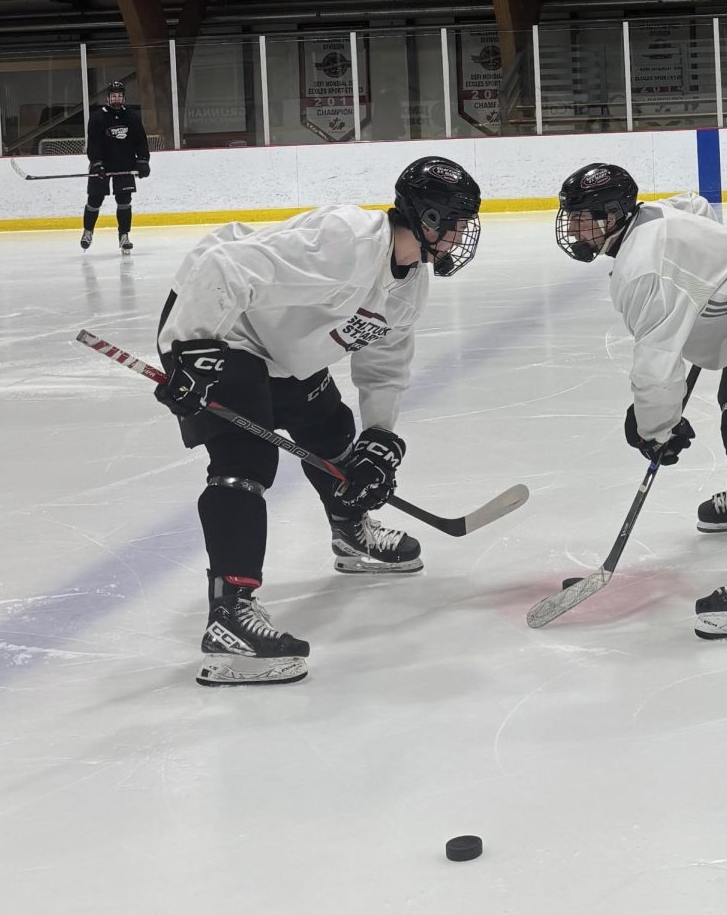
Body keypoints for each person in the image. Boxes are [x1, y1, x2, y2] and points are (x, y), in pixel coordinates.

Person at [153, 157, 482, 686]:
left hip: (283, 350)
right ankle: (229, 617)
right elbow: (223, 269)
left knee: (332, 430)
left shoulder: (411, 284)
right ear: (428, 217)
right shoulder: (347, 240)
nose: (464, 234)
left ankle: (350, 531)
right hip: (220, 327)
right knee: (245, 460)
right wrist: (189, 350)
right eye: (458, 221)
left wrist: (379, 438)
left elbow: (384, 363)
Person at [555, 163, 727, 640]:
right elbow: (695, 206)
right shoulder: (648, 217)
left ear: (612, 215)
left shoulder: (642, 270)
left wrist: (655, 429)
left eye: (584, 217)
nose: (575, 228)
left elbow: (655, 366)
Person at [80, 80, 150, 254]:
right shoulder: (97, 117)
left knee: (124, 201)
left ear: (123, 98)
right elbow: (93, 144)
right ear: (108, 98)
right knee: (95, 200)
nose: (116, 99)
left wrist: (142, 160)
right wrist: (97, 163)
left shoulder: (132, 116)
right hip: (102, 164)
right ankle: (88, 231)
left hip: (124, 163)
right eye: (113, 96)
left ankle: (124, 236)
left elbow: (140, 140)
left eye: (119, 96)